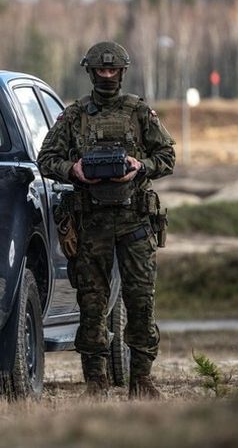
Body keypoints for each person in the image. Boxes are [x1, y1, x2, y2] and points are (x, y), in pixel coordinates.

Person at [37, 41, 175, 398]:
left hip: (134, 222)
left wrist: (140, 167)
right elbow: (46, 158)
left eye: (113, 70)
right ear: (91, 72)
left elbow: (167, 155)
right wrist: (75, 170)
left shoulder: (139, 113)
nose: (107, 76)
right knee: (92, 306)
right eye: (101, 70)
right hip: (92, 223)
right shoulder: (75, 115)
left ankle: (141, 380)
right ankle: (96, 382)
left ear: (123, 72)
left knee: (141, 302)